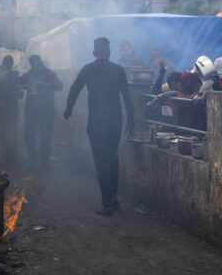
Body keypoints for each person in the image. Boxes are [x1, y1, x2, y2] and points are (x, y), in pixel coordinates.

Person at [64, 38, 135, 216]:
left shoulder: (88, 69)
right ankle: (113, 197)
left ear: (94, 53)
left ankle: (107, 204)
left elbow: (74, 89)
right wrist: (132, 122)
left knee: (101, 161)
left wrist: (68, 110)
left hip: (97, 122)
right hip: (115, 122)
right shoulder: (118, 70)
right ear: (109, 53)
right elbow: (127, 97)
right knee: (112, 157)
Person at [19, 55, 63, 171]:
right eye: (33, 64)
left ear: (40, 63)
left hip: (46, 111)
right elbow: (17, 84)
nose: (36, 66)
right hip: (31, 111)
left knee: (45, 136)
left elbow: (60, 86)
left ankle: (44, 161)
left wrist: (46, 85)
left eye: (37, 63)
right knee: (30, 136)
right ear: (31, 64)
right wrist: (24, 86)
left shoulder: (49, 74)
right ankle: (32, 161)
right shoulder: (27, 75)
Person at [0, 56, 22, 161]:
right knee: (3, 129)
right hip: (0, 106)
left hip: (12, 106)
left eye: (10, 65)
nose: (10, 66)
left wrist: (18, 91)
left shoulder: (14, 74)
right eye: (8, 64)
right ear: (4, 64)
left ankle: (11, 150)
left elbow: (18, 88)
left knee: (12, 128)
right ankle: (6, 150)